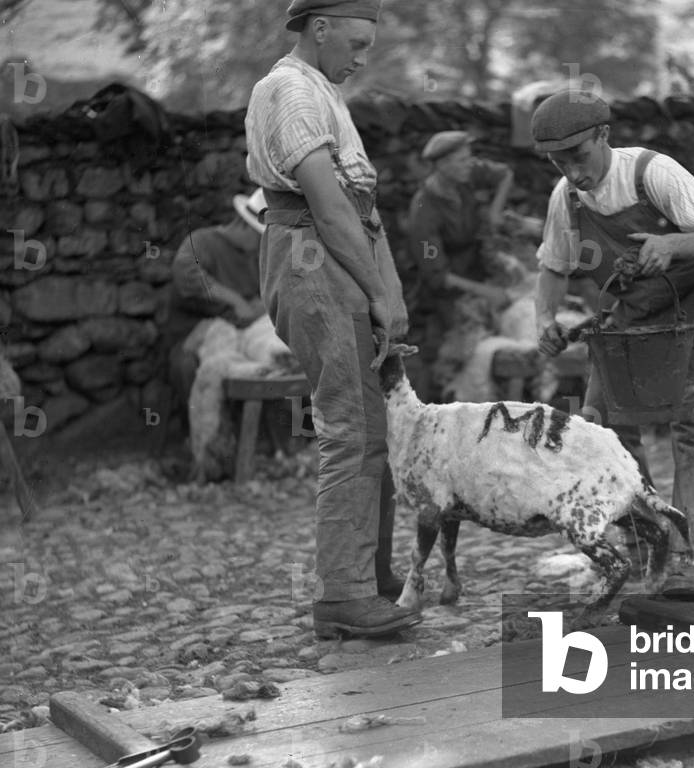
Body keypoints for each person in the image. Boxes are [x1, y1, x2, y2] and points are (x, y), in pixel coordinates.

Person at [244, 0, 419, 639]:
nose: (362, 56)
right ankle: (342, 596)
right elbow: (328, 205)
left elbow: (362, 209)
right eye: (354, 41)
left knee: (375, 426)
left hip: (342, 255)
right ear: (319, 29)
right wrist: (377, 291)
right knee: (349, 425)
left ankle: (368, 577)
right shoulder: (288, 90)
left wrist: (389, 292)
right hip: (312, 257)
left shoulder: (322, 91)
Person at [532, 90, 694, 598]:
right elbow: (553, 265)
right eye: (560, 162)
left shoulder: (654, 173)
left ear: (604, 136)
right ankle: (644, 536)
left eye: (579, 157)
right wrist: (545, 316)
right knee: (601, 425)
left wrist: (674, 243)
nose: (573, 172)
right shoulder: (565, 198)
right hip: (630, 312)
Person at [404, 131, 515, 401]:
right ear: (441, 165)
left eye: (469, 158)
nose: (471, 164)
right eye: (462, 160)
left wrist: (494, 213)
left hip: (476, 271)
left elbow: (505, 174)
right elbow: (438, 277)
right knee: (449, 357)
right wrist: (487, 292)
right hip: (443, 294)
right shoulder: (424, 211)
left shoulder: (466, 175)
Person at [165, 189, 266, 402]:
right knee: (187, 367)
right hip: (192, 337)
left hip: (240, 338)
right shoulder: (202, 241)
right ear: (244, 225)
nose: (261, 246)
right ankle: (197, 434)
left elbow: (258, 300)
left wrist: (259, 307)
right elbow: (186, 273)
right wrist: (234, 300)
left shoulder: (254, 258)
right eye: (259, 238)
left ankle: (259, 432)